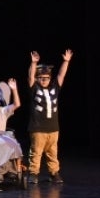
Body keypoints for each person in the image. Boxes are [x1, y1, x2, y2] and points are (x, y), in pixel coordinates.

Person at [28, 49, 72, 185]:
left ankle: (54, 173)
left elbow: (61, 75)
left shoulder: (54, 88)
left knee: (52, 153)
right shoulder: (35, 88)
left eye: (46, 78)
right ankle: (33, 174)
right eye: (41, 78)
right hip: (38, 128)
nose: (44, 80)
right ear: (37, 78)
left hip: (53, 129)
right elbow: (30, 77)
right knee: (36, 153)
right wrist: (33, 63)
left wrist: (66, 61)